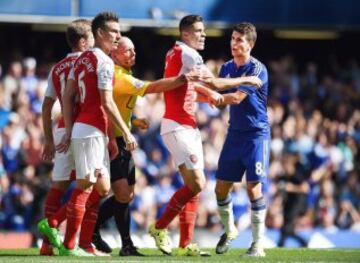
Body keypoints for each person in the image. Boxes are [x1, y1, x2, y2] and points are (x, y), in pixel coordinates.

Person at [40, 11, 137, 257]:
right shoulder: (103, 62)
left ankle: (60, 238)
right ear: (97, 34)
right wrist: (125, 132)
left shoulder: (77, 62)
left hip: (80, 128)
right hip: (91, 128)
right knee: (87, 186)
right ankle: (69, 240)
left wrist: (68, 128)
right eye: (114, 32)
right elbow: (106, 102)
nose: (118, 36)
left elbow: (66, 96)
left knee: (98, 188)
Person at [92, 36, 199, 256]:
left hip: (122, 137)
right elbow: (152, 87)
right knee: (120, 193)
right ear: (114, 54)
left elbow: (118, 109)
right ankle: (117, 240)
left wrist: (134, 122)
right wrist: (181, 79)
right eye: (128, 51)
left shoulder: (125, 74)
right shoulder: (119, 76)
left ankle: (97, 230)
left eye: (134, 50)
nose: (133, 54)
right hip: (111, 140)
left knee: (128, 195)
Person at [148, 14, 223, 256]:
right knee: (197, 183)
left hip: (188, 126)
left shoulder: (176, 52)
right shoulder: (189, 54)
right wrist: (248, 80)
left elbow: (187, 85)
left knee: (194, 186)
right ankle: (159, 227)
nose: (204, 35)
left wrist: (207, 95)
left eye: (203, 31)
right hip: (177, 125)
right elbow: (216, 83)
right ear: (186, 34)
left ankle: (185, 244)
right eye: (199, 31)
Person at [201, 22, 269, 257]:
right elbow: (217, 92)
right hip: (234, 134)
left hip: (256, 135)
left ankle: (258, 245)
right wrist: (209, 94)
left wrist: (214, 94)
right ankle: (230, 230)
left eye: (239, 40)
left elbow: (235, 98)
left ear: (250, 44)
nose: (234, 43)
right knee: (220, 188)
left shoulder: (258, 70)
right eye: (232, 38)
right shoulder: (227, 68)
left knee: (253, 188)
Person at [38, 19, 94, 256]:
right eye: (92, 37)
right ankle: (73, 243)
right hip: (85, 129)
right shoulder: (90, 62)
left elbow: (46, 105)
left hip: (62, 129)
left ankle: (47, 245)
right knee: (91, 185)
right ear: (83, 41)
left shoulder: (57, 68)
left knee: (58, 186)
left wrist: (49, 139)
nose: (94, 42)